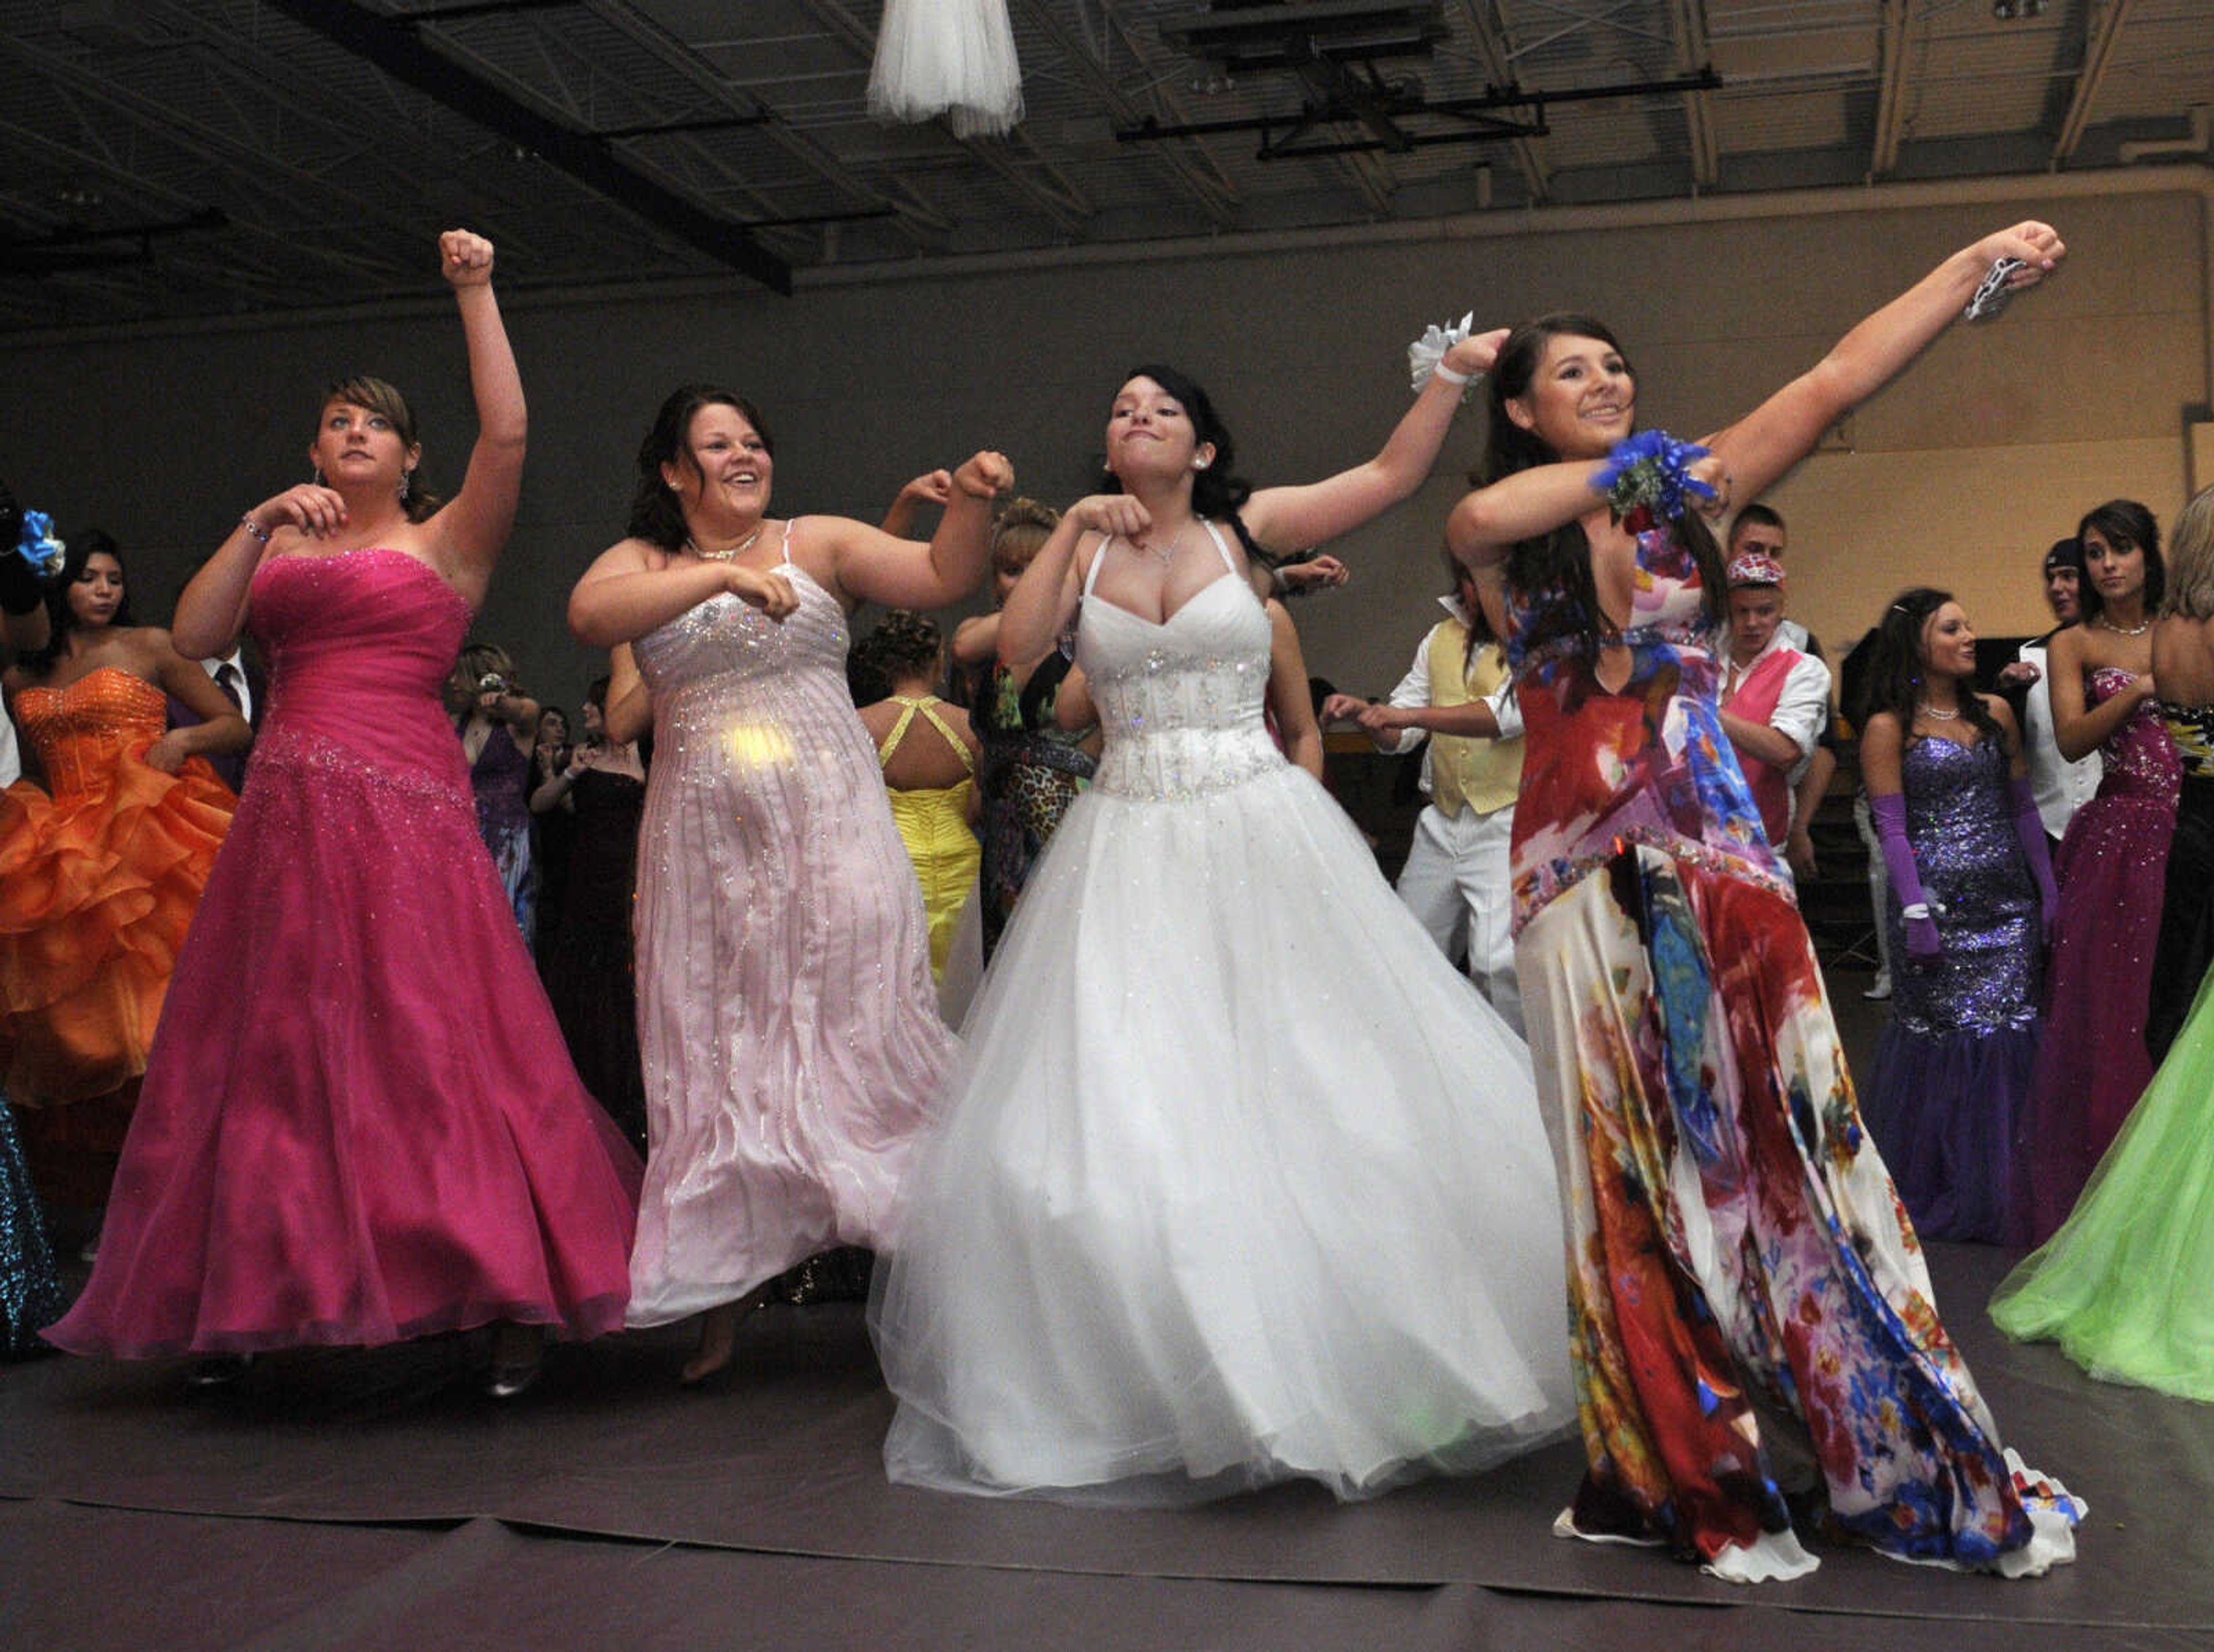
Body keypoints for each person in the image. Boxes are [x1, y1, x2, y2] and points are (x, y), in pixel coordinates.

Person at [1445, 221, 2080, 1581]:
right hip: (1576, 881)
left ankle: (1867, 1433)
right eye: (1573, 372)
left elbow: (1842, 374)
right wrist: (1625, 468)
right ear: (1520, 407)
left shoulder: (1691, 489)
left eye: (1616, 366)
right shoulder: (1515, 525)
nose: (1610, 381)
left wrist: (1964, 263)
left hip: (1722, 862)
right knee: (1627, 1174)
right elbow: (1480, 517)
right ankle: (1677, 1451)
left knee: (1791, 1152)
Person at [872, 349, 1575, 1507]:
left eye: (1165, 411)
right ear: (1108, 448)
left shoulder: (1249, 527)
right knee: (1135, 1106)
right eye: (1121, 408)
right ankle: (1169, 1377)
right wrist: (1061, 534)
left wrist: (1448, 377)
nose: (1139, 417)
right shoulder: (1086, 545)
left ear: (1200, 448)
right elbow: (1015, 650)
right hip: (1130, 833)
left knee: (1320, 1080)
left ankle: (1346, 1350)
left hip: (1259, 824)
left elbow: (1395, 476)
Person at [45, 231, 641, 1398]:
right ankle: (257, 1294)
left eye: (373, 423)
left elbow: (509, 434)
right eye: (334, 422)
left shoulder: (447, 541)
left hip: (403, 806)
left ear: (410, 454)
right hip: (287, 811)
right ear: (314, 449)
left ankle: (504, 1283)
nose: (351, 433)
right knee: (271, 1048)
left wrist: (477, 292)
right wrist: (264, 516)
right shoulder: (280, 541)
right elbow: (204, 635)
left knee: (435, 1038)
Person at [567, 385, 1011, 1385]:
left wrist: (974, 500)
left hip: (834, 832)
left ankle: (966, 1264)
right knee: (719, 1054)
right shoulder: (647, 565)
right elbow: (589, 612)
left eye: (754, 440)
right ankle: (720, 1296)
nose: (742, 455)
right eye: (716, 444)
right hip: (707, 857)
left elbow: (943, 573)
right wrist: (713, 587)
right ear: (675, 472)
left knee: (869, 1025)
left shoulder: (816, 541)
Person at [1990, 482, 2214, 1399]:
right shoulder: (2115, 642)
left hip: (2191, 828)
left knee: (2177, 1033)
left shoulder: (2168, 638)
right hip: (2178, 830)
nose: (2106, 565)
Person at [0, 531, 248, 1209]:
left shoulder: (153, 645)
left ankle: (199, 1187)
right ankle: (122, 1200)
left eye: (114, 577)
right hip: (72, 854)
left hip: (154, 833)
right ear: (60, 585)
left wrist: (182, 738)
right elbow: (28, 762)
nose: (105, 589)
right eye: (88, 577)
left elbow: (235, 725)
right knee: (88, 1037)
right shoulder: (23, 670)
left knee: (167, 1023)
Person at [1859, 589, 2054, 1244]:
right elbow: (1891, 829)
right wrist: (1916, 911)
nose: (1971, 634)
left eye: (1969, 623)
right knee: (1947, 1044)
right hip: (1936, 909)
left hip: (2008, 906)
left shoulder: (1997, 713)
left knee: (2009, 1042)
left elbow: (2024, 807)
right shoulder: (1891, 727)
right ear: (1918, 643)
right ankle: (1949, 1180)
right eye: (1953, 627)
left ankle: (2013, 1183)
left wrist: (2048, 891)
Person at [2012, 503, 2175, 1243]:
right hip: (2119, 833)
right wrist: (2139, 689)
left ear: (2149, 555)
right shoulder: (2071, 643)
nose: (2108, 565)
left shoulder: (2183, 626)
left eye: (2121, 550)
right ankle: (2113, 1187)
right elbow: (2074, 740)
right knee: (2114, 1011)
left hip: (2190, 824)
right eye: (2095, 553)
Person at [1320, 552, 1526, 1031]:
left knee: (1498, 965)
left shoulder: (1535, 639)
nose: (1476, 593)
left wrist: (1407, 717)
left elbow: (1505, 717)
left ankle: (1516, 1074)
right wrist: (1369, 718)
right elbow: (1399, 735)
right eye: (1470, 581)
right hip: (1442, 820)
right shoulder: (1438, 639)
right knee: (1407, 951)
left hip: (1505, 821)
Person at [952, 499, 1098, 963]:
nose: (1025, 580)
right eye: (1012, 570)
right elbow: (963, 646)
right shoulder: (978, 636)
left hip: (1076, 821)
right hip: (1002, 828)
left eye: (1038, 567)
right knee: (1008, 963)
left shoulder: (1088, 638)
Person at [535, 678, 647, 1153]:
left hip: (630, 877)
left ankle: (623, 1080)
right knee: (583, 968)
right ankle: (578, 1074)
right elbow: (540, 805)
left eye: (593, 704)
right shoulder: (580, 756)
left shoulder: (649, 755)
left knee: (625, 972)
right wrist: (570, 774)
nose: (584, 710)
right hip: (587, 875)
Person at [856, 610, 983, 984]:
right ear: (938, 661)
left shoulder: (861, 724)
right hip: (963, 863)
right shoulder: (970, 725)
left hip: (893, 863)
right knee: (966, 978)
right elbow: (978, 810)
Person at [1716, 552, 1830, 863]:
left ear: (1782, 609)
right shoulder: (1701, 661)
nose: (1752, 623)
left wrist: (1711, 714)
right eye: (1742, 612)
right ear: (1727, 611)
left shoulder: (1804, 669)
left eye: (1764, 611)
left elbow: (1785, 751)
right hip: (1696, 837)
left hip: (1762, 843)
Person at [1995, 539, 2101, 850]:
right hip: (2047, 830)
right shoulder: (2028, 658)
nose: (2056, 587)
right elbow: (2007, 750)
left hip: (2114, 825)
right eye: (2051, 578)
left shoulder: (2128, 654)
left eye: (2069, 575)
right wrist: (2007, 694)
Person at [450, 641, 540, 942]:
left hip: (506, 840)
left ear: (479, 677)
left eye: (460, 675)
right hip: (462, 837)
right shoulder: (453, 724)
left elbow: (525, 712)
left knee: (504, 929)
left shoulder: (518, 723)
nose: (452, 683)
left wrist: (500, 702)